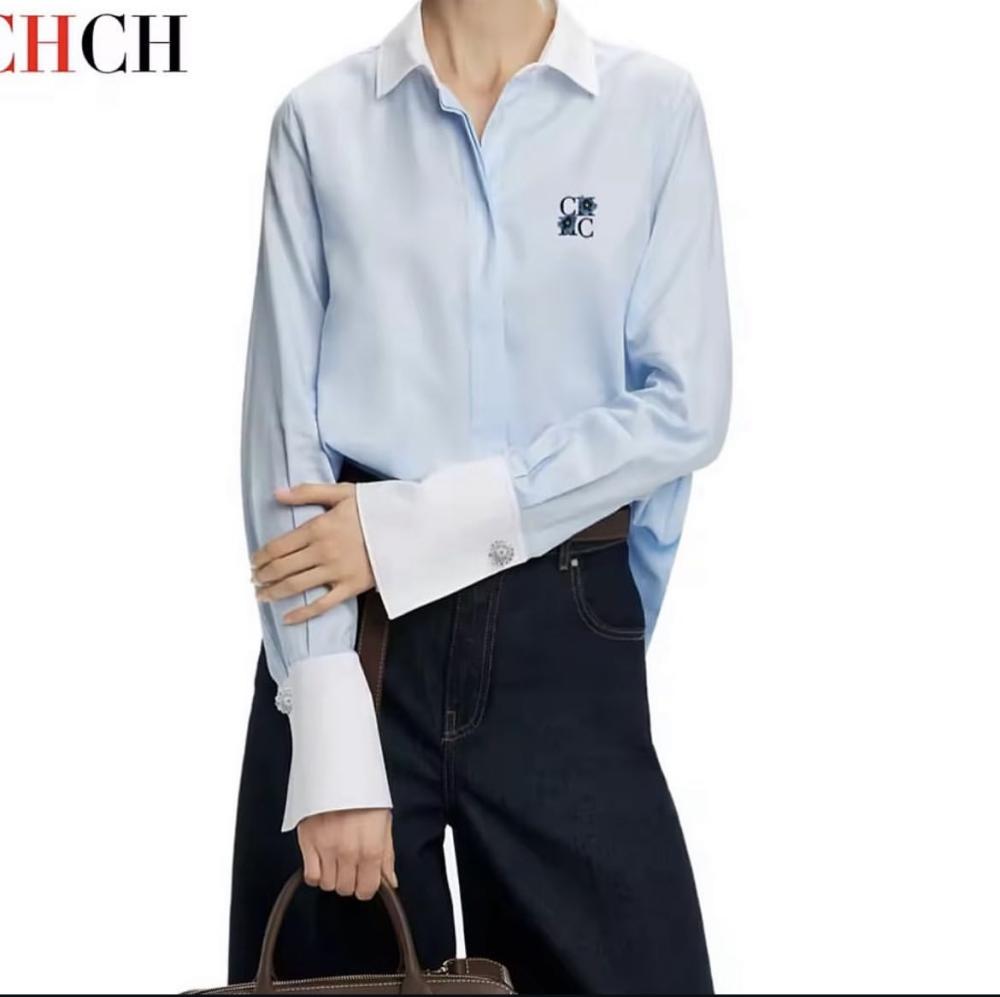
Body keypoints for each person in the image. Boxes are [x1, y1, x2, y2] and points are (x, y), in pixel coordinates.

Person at [229, 0, 731, 993]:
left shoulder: (653, 108)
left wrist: (431, 535)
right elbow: (283, 437)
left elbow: (685, 409)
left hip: (559, 620)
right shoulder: (321, 121)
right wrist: (325, 713)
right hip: (356, 635)